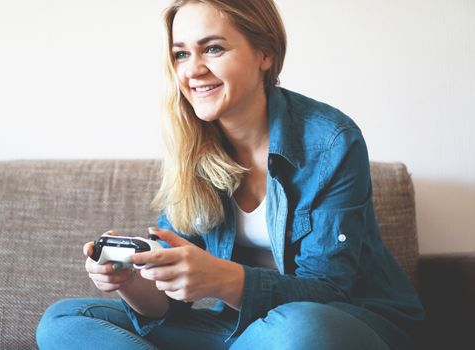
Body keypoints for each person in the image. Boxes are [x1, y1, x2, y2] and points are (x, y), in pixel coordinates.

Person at [36, 0, 424, 349]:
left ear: (265, 53)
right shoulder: (191, 144)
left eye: (213, 48)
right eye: (181, 54)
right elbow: (167, 308)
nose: (193, 70)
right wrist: (130, 284)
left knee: (299, 329)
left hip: (342, 324)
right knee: (64, 322)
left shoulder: (330, 140)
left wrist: (222, 279)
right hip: (240, 331)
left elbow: (329, 291)